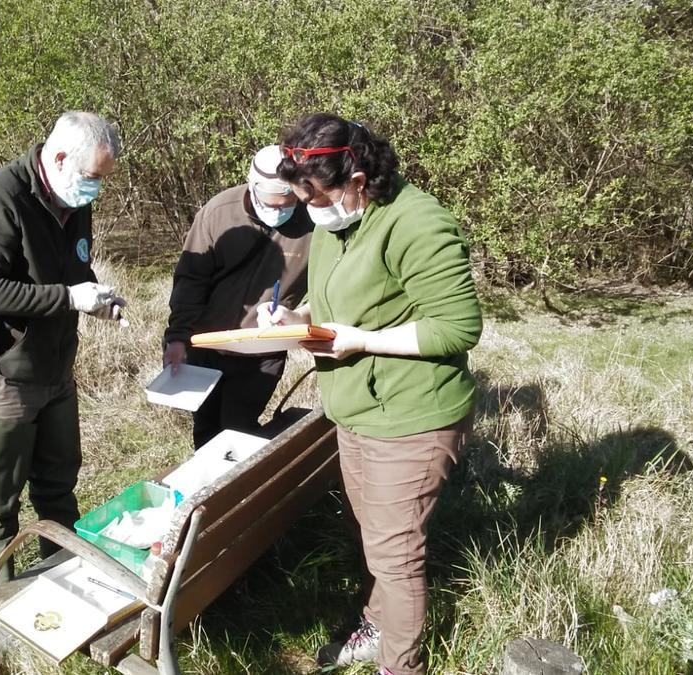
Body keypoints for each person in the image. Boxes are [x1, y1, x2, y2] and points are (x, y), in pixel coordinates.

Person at [258, 113, 481, 675]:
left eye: (317, 194)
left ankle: (399, 666)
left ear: (357, 181)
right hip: (356, 410)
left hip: (410, 416)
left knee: (396, 553)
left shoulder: (417, 223)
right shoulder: (336, 224)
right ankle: (378, 628)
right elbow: (331, 298)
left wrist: (363, 342)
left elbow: (457, 327)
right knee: (374, 536)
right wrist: (295, 315)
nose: (310, 208)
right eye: (302, 196)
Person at [0, 111, 127, 581]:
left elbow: (74, 268)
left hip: (56, 365)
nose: (96, 191)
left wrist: (95, 296)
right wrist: (69, 298)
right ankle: (3, 611)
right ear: (61, 158)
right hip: (4, 369)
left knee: (57, 484)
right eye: (93, 178)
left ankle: (67, 583)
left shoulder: (73, 195)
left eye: (102, 181)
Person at [163, 145, 313, 448]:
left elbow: (328, 286)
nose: (279, 211)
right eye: (272, 204)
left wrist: (299, 315)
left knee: (238, 428)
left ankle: (244, 489)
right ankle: (209, 491)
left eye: (288, 204)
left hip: (263, 349)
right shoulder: (218, 212)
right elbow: (191, 280)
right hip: (207, 344)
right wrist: (177, 337)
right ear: (253, 189)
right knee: (205, 427)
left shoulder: (313, 220)